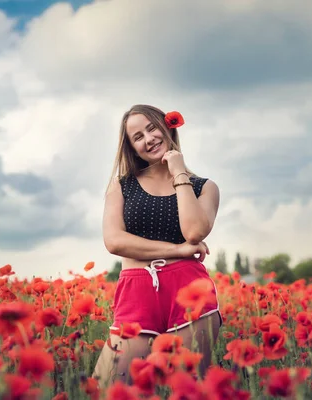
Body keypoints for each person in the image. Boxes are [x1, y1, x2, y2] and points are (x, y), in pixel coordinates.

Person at [92, 104, 222, 388]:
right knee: (105, 388)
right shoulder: (122, 185)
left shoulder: (205, 187)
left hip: (189, 290)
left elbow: (194, 231)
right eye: (137, 136)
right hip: (137, 290)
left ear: (167, 128)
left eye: (152, 128)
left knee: (186, 389)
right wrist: (177, 251)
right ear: (132, 148)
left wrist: (178, 171)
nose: (148, 139)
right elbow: (114, 241)